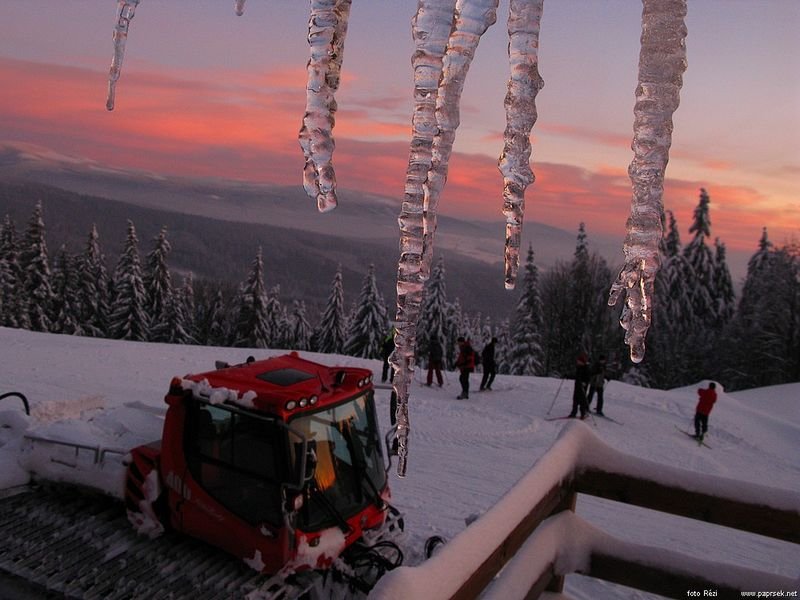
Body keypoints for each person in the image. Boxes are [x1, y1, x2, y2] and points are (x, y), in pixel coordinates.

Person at [569, 352, 590, 419]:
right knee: (575, 400)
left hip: (583, 387)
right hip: (577, 386)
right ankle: (573, 413)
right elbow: (576, 376)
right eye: (577, 361)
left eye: (579, 361)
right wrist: (568, 376)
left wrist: (584, 383)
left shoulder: (586, 368)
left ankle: (583, 414)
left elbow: (588, 378)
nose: (577, 362)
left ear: (582, 362)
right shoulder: (578, 368)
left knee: (582, 401)